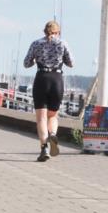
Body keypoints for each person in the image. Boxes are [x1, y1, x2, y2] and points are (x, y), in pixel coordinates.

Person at [23, 20, 74, 160]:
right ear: (58, 32)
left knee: (41, 118)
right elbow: (71, 63)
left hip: (41, 79)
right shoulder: (62, 43)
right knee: (52, 116)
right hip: (57, 79)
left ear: (44, 31)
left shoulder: (36, 43)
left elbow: (26, 63)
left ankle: (44, 148)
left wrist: (36, 60)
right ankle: (52, 134)